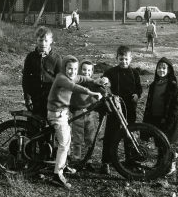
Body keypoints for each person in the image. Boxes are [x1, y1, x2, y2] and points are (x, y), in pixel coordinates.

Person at [47, 55, 105, 189]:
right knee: (64, 143)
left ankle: (64, 165)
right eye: (69, 68)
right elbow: (75, 87)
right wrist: (92, 93)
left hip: (63, 112)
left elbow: (83, 78)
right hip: (57, 113)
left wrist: (96, 81)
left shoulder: (72, 76)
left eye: (74, 69)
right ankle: (57, 175)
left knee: (67, 141)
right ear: (64, 68)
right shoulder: (62, 78)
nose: (72, 72)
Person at [101, 45, 143, 175]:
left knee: (129, 134)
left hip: (129, 108)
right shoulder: (111, 72)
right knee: (110, 135)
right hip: (114, 108)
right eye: (121, 59)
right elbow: (105, 81)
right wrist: (105, 81)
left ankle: (129, 160)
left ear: (130, 59)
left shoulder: (134, 73)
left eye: (126, 59)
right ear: (116, 58)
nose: (123, 61)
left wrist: (137, 94)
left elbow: (139, 88)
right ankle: (106, 162)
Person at [143, 57, 178, 175]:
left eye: (164, 68)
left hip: (167, 119)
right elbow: (149, 103)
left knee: (168, 142)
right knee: (159, 142)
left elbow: (176, 105)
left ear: (169, 70)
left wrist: (170, 120)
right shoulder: (154, 85)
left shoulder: (172, 86)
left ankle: (171, 166)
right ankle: (160, 164)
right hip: (155, 118)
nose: (161, 70)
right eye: (159, 68)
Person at [22, 26, 62, 119]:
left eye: (46, 40)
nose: (43, 43)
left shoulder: (56, 58)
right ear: (36, 40)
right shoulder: (31, 57)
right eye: (40, 40)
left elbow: (61, 81)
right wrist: (27, 98)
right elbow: (26, 79)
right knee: (34, 126)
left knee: (51, 126)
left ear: (51, 41)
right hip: (35, 98)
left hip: (51, 98)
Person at [70, 60, 97, 171]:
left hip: (90, 113)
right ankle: (77, 159)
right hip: (78, 113)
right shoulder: (76, 82)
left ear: (92, 72)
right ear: (80, 70)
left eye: (89, 70)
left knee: (90, 138)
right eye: (84, 69)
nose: (86, 72)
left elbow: (102, 89)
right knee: (77, 138)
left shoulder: (94, 83)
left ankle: (88, 160)